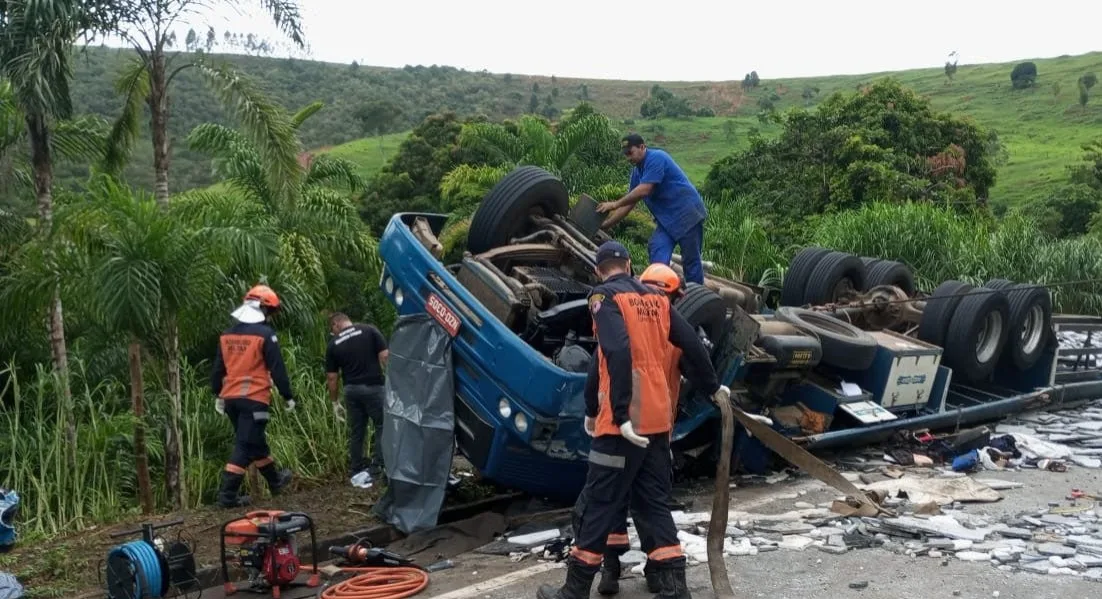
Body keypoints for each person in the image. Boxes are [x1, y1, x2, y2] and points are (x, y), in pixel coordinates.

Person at [538, 242, 726, 599]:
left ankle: (574, 591)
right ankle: (674, 588)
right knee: (653, 502)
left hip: (623, 424)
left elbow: (614, 353)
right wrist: (714, 387)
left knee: (598, 502)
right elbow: (693, 345)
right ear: (628, 265)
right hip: (657, 421)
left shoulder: (603, 298)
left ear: (598, 271)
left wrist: (618, 412)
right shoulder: (659, 302)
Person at [594, 263, 686, 596]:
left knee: (611, 498)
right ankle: (663, 574)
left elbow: (599, 368)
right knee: (652, 501)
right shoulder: (673, 331)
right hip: (656, 428)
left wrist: (594, 413)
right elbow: (696, 360)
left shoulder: (620, 321)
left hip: (620, 427)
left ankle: (611, 569)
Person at [211, 284, 296, 508]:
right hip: (255, 398)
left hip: (231, 399)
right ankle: (227, 496)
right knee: (245, 446)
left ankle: (276, 482)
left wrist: (218, 394)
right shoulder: (265, 335)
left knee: (255, 442)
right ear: (264, 309)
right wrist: (288, 396)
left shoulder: (227, 335)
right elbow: (277, 368)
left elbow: (218, 369)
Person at [595, 134, 709, 285]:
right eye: (626, 154)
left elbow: (645, 190)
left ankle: (695, 297)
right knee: (657, 249)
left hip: (687, 214)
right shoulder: (637, 172)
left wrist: (614, 204)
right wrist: (606, 225)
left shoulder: (656, 158)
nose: (628, 158)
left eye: (631, 153)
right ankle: (658, 291)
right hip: (667, 221)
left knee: (691, 260)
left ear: (642, 147)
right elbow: (630, 203)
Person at [325, 312, 390, 489]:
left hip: (351, 390)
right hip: (374, 387)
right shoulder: (369, 330)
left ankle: (356, 467)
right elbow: (385, 357)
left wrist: (334, 402)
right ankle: (377, 467)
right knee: (382, 426)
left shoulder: (334, 344)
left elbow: (332, 377)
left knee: (357, 430)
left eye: (332, 329)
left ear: (336, 324)